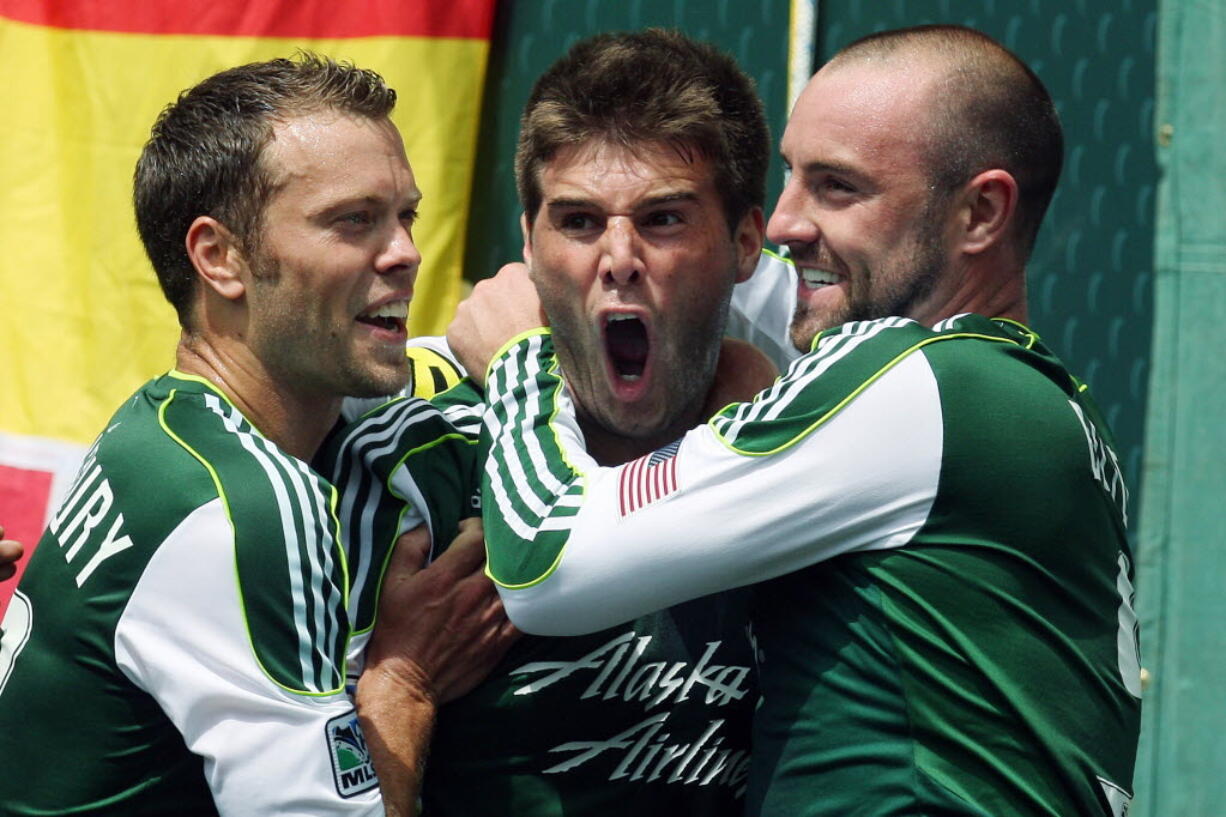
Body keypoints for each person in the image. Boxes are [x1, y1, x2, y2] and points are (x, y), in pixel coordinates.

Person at [451, 24, 1142, 817]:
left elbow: (549, 563)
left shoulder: (910, 381)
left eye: (838, 187)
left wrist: (518, 361)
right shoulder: (1038, 404)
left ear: (979, 213)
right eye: (789, 178)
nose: (784, 225)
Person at [0, 54, 515, 816]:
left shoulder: (164, 425)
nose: (405, 251)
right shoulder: (243, 504)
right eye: (353, 220)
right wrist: (403, 681)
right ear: (219, 258)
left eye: (404, 214)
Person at [328, 29, 784, 815]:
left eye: (665, 219)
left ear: (747, 242)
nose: (618, 256)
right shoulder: (409, 462)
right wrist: (395, 681)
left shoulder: (810, 456)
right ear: (527, 243)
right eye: (577, 220)